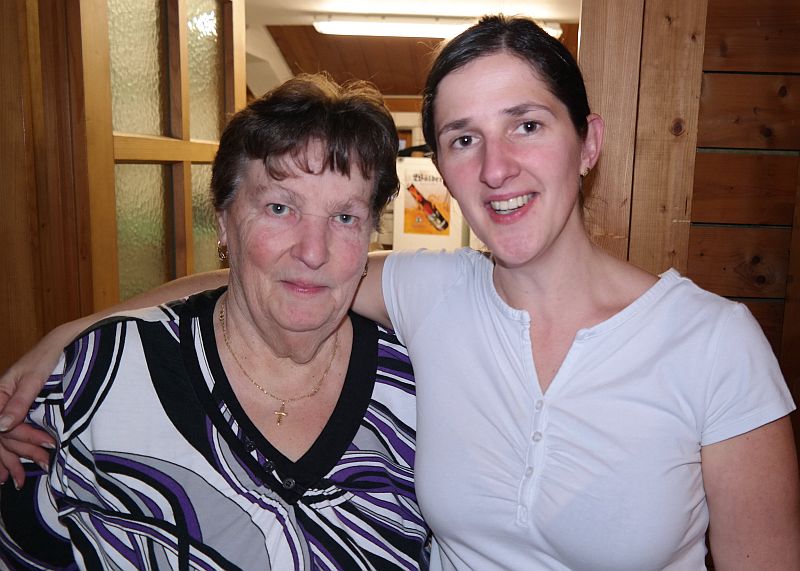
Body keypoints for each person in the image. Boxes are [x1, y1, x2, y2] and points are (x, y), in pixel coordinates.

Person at [2, 14, 799, 570]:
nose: (496, 167)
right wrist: (67, 338)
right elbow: (267, 277)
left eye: (526, 124)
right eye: (464, 138)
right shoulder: (435, 290)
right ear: (443, 168)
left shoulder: (713, 344)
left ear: (587, 143)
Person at [0, 73, 429, 570]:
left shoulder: (422, 386)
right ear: (224, 220)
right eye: (279, 207)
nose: (314, 252)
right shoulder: (96, 377)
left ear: (372, 232)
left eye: (345, 218)